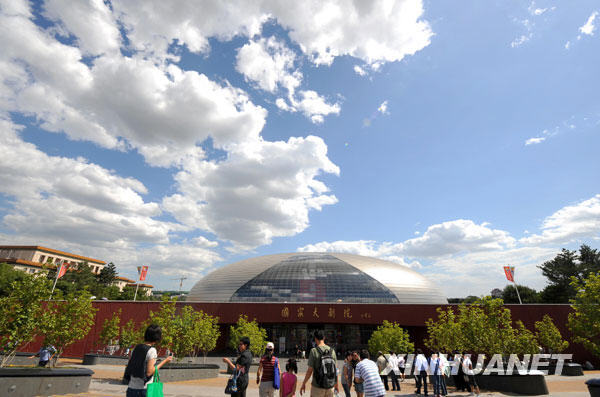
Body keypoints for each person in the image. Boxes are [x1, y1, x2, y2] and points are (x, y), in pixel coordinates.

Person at [124, 324, 173, 397]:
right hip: (143, 390)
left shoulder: (136, 348)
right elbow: (149, 372)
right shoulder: (152, 350)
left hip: (131, 388)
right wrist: (165, 361)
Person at [300, 330, 339, 396]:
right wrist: (336, 385)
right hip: (330, 386)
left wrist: (304, 383)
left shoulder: (314, 351)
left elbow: (310, 370)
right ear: (324, 338)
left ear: (315, 338)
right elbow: (336, 370)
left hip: (317, 387)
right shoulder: (332, 351)